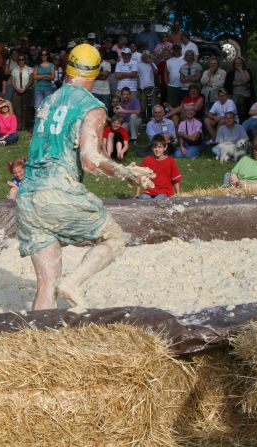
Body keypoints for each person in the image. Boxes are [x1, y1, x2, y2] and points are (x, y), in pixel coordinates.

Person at [15, 44, 155, 310]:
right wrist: (126, 172)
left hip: (28, 196)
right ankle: (75, 282)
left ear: (68, 69)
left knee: (46, 285)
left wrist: (118, 168)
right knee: (114, 239)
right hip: (58, 192)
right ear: (96, 74)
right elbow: (91, 160)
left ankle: (40, 345)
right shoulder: (92, 106)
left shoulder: (48, 100)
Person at [136, 134, 182, 199]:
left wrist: (178, 195)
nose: (157, 149)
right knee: (143, 198)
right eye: (155, 147)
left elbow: (176, 180)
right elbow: (140, 177)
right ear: (152, 148)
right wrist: (137, 194)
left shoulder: (170, 161)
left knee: (159, 199)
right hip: (149, 191)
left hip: (164, 192)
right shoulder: (147, 160)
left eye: (160, 147)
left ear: (165, 147)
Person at [10, 53, 34, 131]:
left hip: (27, 90)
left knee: (25, 108)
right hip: (16, 91)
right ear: (17, 61)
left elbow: (31, 79)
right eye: (19, 59)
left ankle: (24, 125)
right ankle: (18, 125)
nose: (21, 61)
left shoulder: (29, 69)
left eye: (22, 59)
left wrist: (25, 88)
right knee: (16, 108)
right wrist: (16, 89)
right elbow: (12, 80)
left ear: (25, 60)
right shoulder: (14, 69)